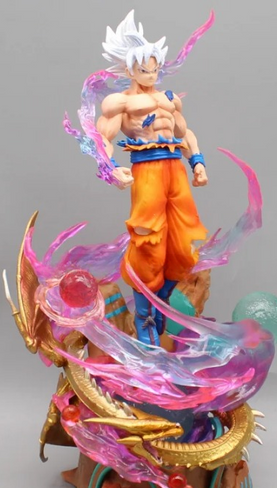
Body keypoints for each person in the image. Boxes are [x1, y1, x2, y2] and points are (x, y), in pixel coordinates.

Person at [95, 11, 209, 345]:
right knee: (148, 244)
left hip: (175, 169)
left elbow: (186, 133)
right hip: (146, 171)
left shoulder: (168, 99)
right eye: (144, 68)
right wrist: (110, 168)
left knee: (182, 246)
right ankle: (145, 321)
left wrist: (197, 161)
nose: (151, 73)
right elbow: (102, 138)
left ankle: (160, 306)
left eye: (155, 67)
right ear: (129, 68)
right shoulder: (120, 102)